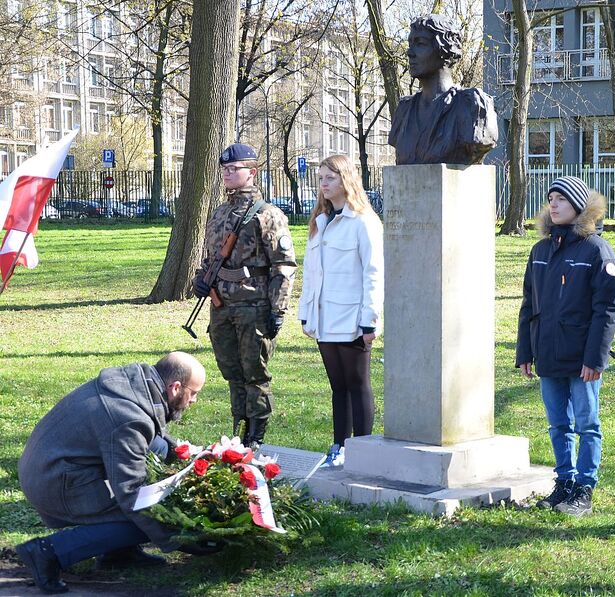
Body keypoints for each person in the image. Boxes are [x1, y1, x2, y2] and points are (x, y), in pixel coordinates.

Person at [15, 352, 214, 594]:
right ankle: (48, 552)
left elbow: (151, 438)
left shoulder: (134, 384)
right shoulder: (127, 419)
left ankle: (118, 553)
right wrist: (180, 537)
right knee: (151, 516)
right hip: (54, 482)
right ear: (174, 387)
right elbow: (132, 495)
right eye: (193, 393)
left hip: (49, 466)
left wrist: (186, 455)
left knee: (156, 466)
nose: (194, 400)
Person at [516, 176, 615, 517]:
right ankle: (564, 481)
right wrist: (524, 352)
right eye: (550, 198)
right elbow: (528, 304)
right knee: (558, 423)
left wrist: (595, 358)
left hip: (582, 359)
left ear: (578, 205)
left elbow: (607, 308)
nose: (554, 204)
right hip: (548, 354)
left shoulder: (595, 249)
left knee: (587, 423)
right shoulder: (540, 251)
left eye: (561, 198)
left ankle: (584, 488)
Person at [194, 143, 296, 449]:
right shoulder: (220, 212)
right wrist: (201, 281)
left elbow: (284, 265)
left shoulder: (267, 214)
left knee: (255, 374)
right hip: (222, 306)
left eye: (233, 169)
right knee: (232, 372)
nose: (227, 174)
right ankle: (238, 432)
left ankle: (256, 437)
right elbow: (209, 256)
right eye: (224, 169)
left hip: (254, 307)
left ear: (251, 173)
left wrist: (277, 309)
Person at [298, 154, 384, 468]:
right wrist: (306, 312)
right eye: (320, 178)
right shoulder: (320, 222)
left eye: (329, 178)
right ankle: (339, 445)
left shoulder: (363, 221)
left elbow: (373, 272)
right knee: (338, 388)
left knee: (357, 383)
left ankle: (362, 449)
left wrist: (369, 318)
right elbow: (312, 272)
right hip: (324, 316)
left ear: (346, 180)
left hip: (352, 316)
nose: (323, 184)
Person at [388, 14, 498, 165]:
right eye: (410, 44)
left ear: (444, 50)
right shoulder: (404, 110)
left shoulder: (472, 106)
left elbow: (481, 140)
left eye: (420, 44)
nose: (410, 52)